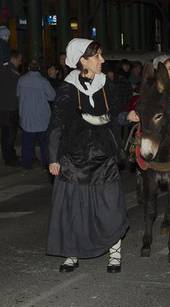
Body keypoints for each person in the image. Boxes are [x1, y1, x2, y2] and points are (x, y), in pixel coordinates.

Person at [47, 38, 133, 273]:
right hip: (74, 159)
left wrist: (128, 117)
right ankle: (71, 253)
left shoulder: (107, 85)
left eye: (101, 55)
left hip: (103, 157)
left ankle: (115, 252)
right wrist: (53, 158)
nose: (102, 60)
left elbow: (114, 116)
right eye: (97, 56)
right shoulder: (66, 88)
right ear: (82, 60)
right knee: (74, 208)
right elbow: (57, 125)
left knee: (110, 206)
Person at [17, 60, 56, 169]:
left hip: (27, 116)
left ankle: (27, 164)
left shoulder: (21, 80)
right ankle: (46, 164)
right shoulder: (43, 81)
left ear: (28, 68)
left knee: (27, 143)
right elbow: (52, 96)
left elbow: (18, 94)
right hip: (41, 117)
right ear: (39, 69)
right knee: (44, 143)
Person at [0, 50, 22, 167]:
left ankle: (6, 155)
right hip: (11, 108)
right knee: (10, 134)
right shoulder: (13, 72)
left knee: (5, 133)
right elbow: (18, 90)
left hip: (2, 107)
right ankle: (10, 158)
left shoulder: (1, 69)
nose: (20, 63)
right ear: (14, 59)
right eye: (19, 60)